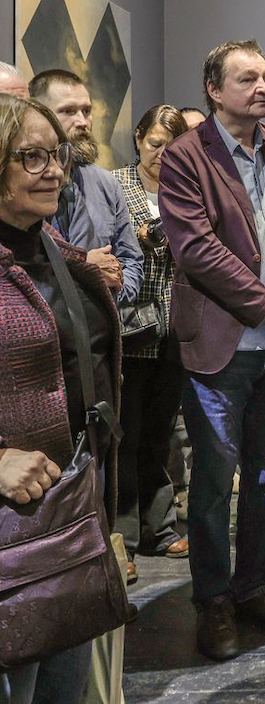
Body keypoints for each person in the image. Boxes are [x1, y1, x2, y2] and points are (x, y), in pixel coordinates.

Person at [158, 40, 265, 661]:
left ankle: (255, 586)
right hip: (222, 346)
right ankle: (213, 601)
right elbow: (195, 249)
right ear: (214, 89)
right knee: (212, 480)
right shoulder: (185, 155)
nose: (263, 87)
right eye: (247, 78)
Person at [0, 94, 122, 704]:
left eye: (58, 156)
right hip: (11, 522)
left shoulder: (48, 245)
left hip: (65, 508)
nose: (53, 171)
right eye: (32, 157)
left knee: (63, 685)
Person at [114, 104, 191, 585]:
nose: (162, 154)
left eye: (171, 146)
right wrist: (138, 240)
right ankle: (122, 536)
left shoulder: (187, 189)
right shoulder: (116, 185)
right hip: (130, 326)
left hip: (175, 327)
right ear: (139, 139)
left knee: (161, 434)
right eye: (154, 144)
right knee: (125, 435)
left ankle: (159, 527)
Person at [30, 69, 144, 305]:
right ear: (39, 115)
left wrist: (105, 299)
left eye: (87, 111)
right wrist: (84, 270)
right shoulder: (22, 185)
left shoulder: (106, 184)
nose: (83, 122)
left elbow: (131, 260)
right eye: (68, 111)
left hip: (100, 321)